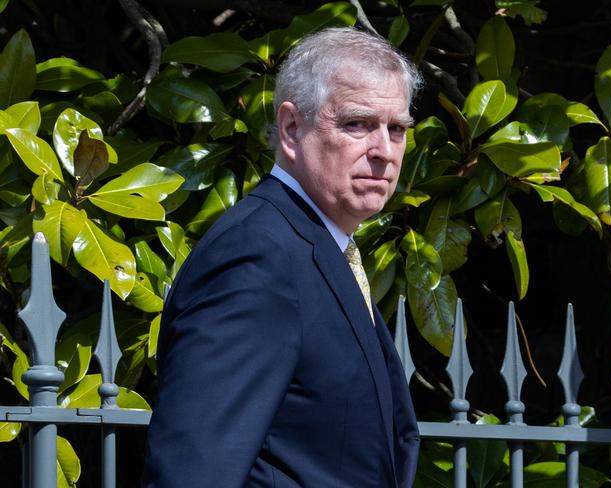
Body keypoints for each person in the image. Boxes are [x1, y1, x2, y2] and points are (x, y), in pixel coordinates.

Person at [142, 27, 422, 488]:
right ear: (292, 129)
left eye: (397, 129)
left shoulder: (313, 245)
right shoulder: (258, 255)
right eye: (357, 124)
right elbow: (193, 471)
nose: (384, 152)